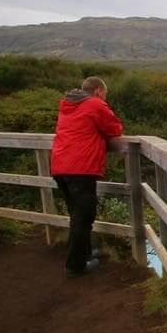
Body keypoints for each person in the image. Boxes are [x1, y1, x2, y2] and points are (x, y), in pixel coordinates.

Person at [50, 76, 123, 277]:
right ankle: (75, 266)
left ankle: (86, 253)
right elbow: (115, 128)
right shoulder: (95, 104)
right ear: (99, 91)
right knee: (84, 217)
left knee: (77, 214)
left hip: (60, 166)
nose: (105, 98)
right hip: (80, 169)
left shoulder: (68, 105)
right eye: (105, 95)